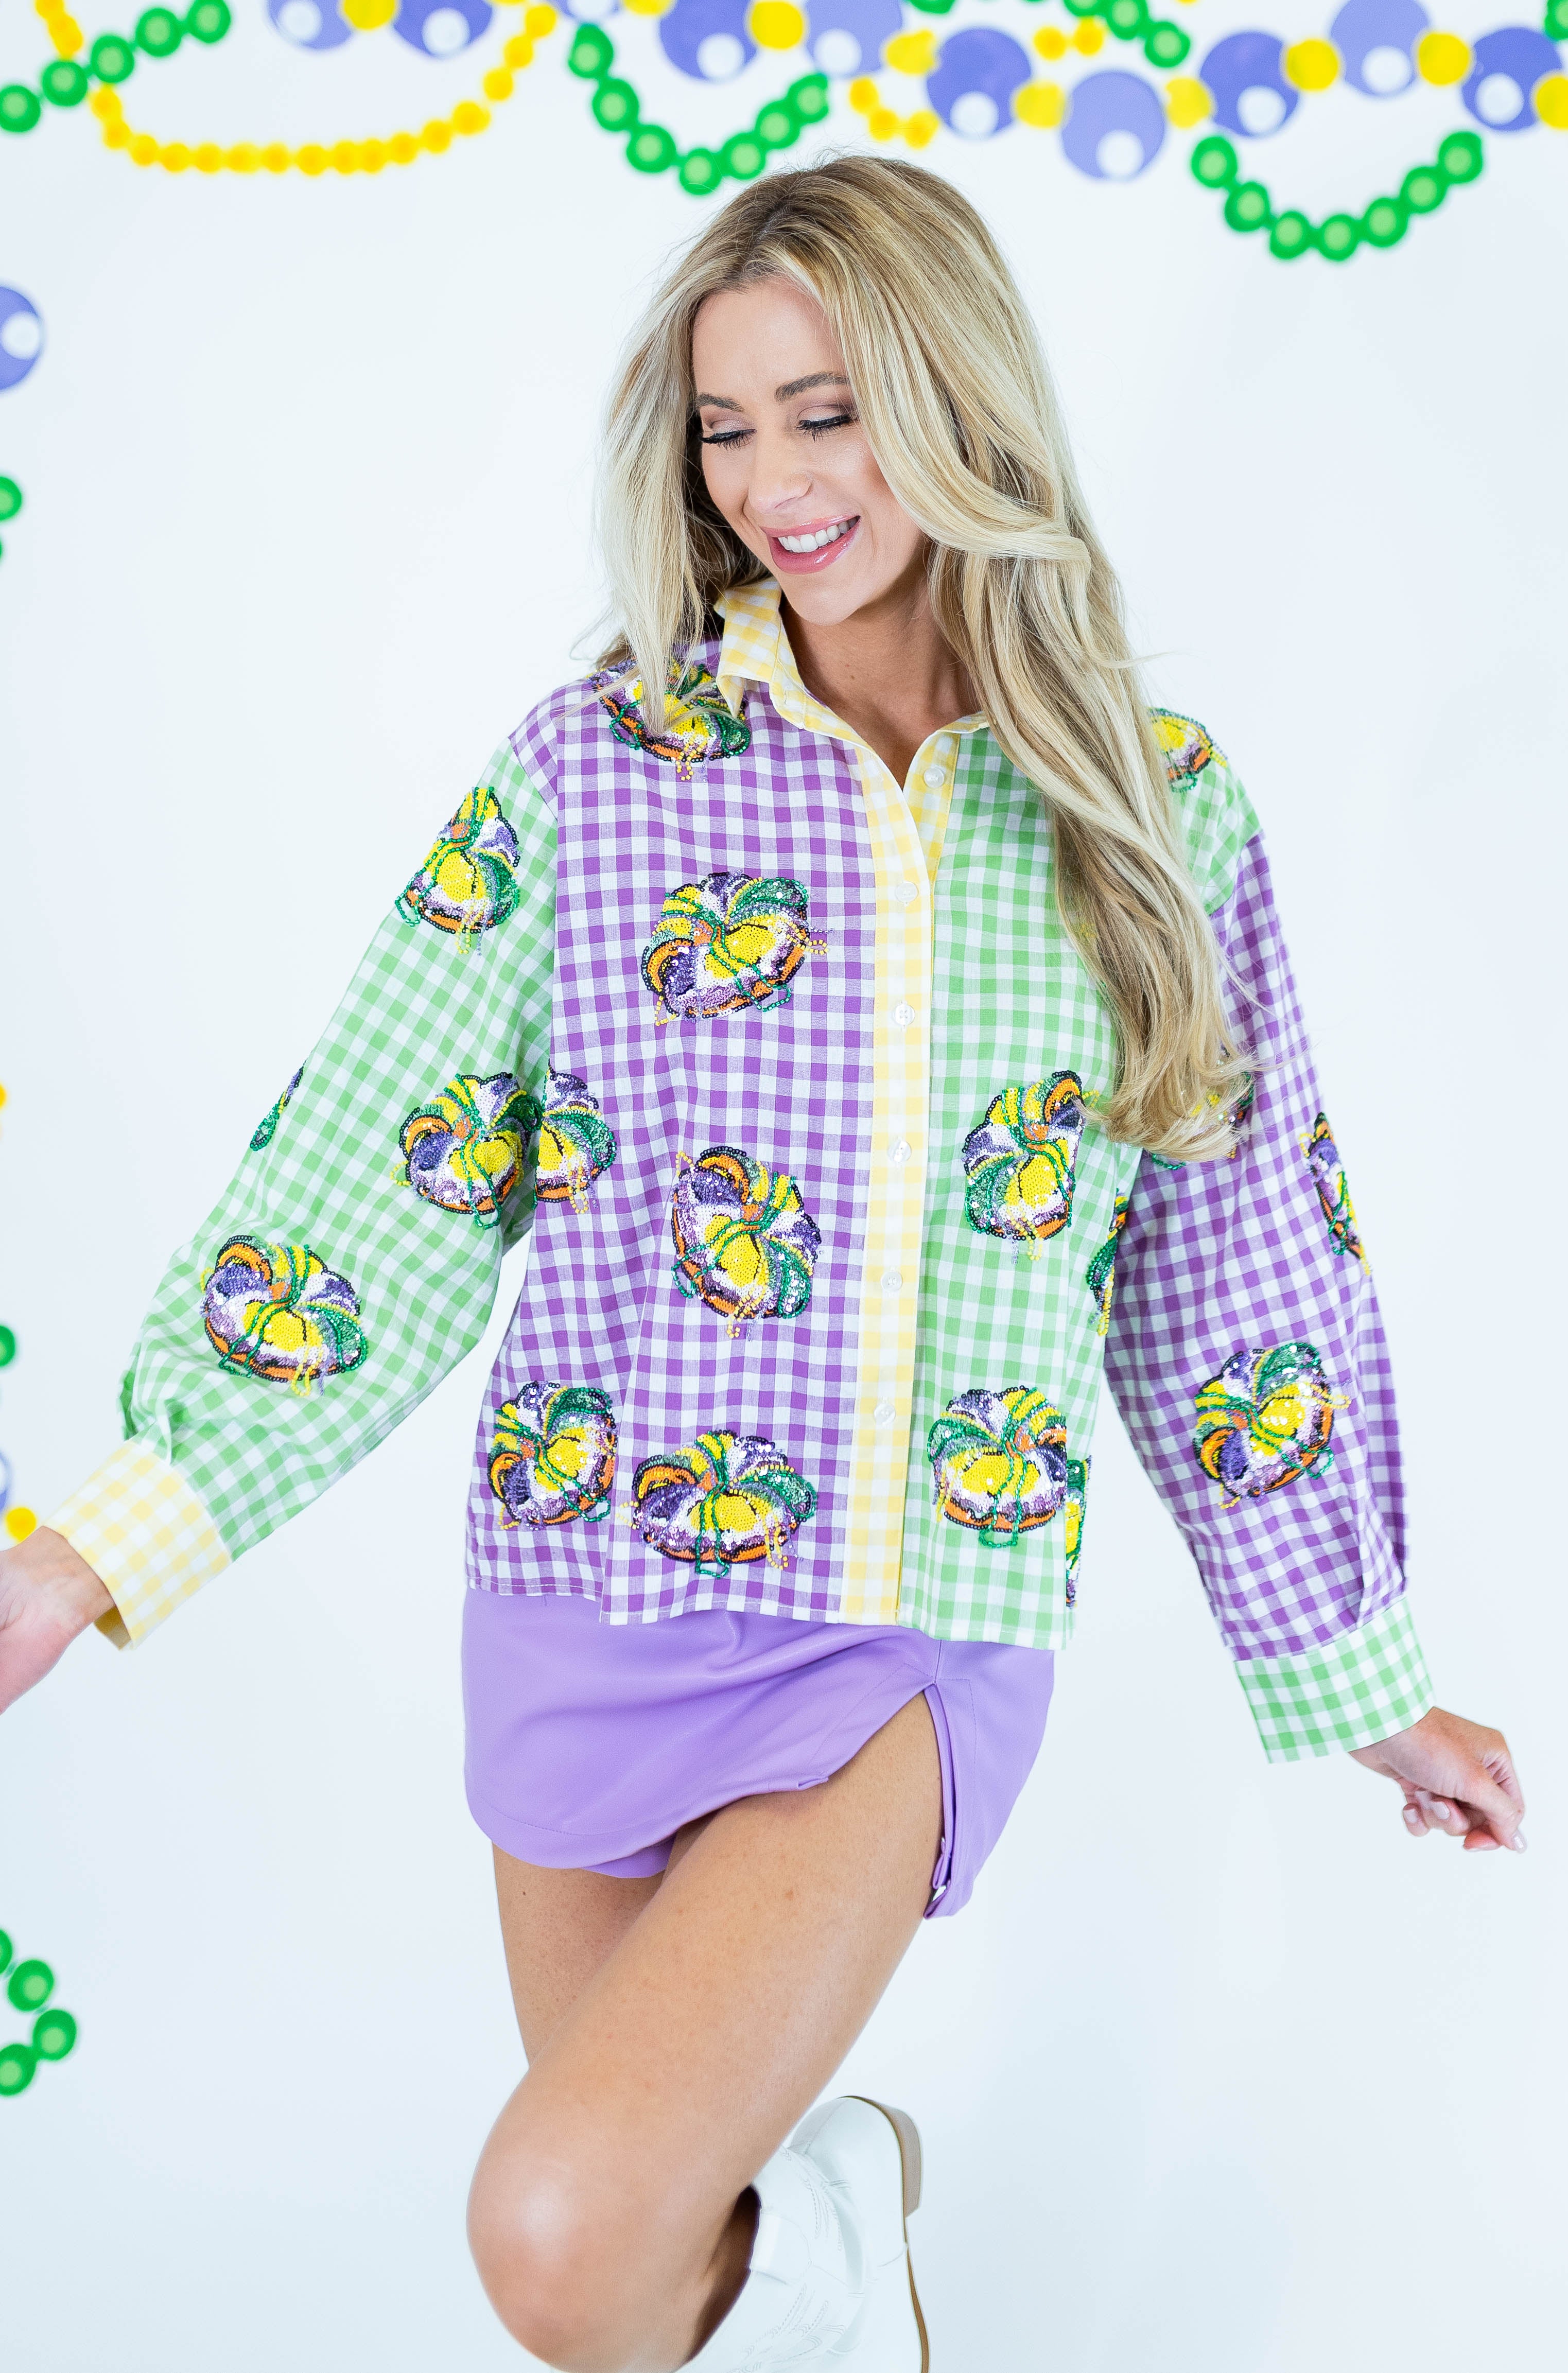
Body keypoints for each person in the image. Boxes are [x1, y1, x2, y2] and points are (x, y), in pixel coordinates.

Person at [0, 156, 1526, 2373]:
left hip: (908, 1614)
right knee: (632, 2309)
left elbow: (1236, 1270)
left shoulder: (1152, 809)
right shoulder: (602, 766)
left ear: (960, 397)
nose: (776, 482)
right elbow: (377, 1176)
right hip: (581, 1590)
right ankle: (840, 2236)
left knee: (557, 2225)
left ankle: (834, 2195)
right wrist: (97, 1547)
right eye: (729, 426)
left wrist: (1356, 1672)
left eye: (830, 411)